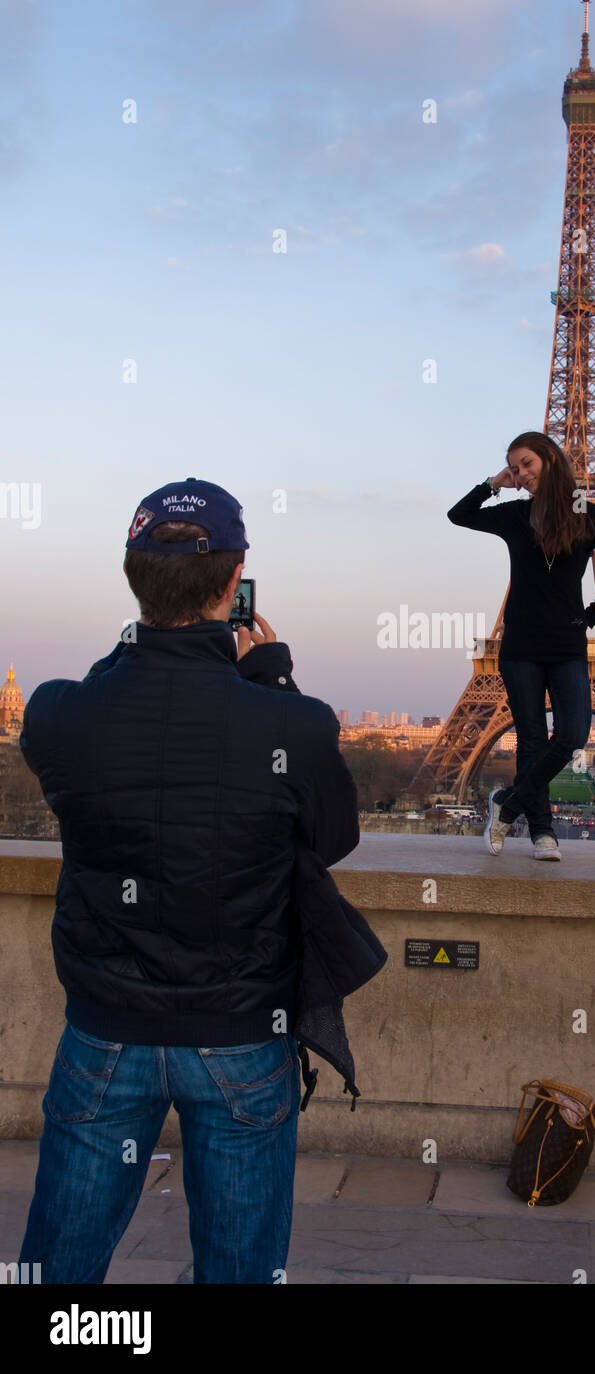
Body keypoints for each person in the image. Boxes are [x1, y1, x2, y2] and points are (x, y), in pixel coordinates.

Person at [17, 477, 361, 1283]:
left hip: (107, 1026)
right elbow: (332, 839)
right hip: (241, 1028)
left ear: (133, 576)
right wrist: (267, 677)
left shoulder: (58, 712)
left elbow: (107, 711)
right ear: (234, 581)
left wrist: (146, 643)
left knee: (59, 1272)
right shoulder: (294, 722)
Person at [448, 432, 595, 860]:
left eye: (526, 463)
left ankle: (507, 806)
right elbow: (458, 515)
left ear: (549, 459)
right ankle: (542, 833)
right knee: (531, 740)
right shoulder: (515, 514)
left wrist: (591, 616)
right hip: (521, 644)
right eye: (515, 467)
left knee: (572, 734)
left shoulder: (586, 513)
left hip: (567, 642)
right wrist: (495, 483)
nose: (522, 473)